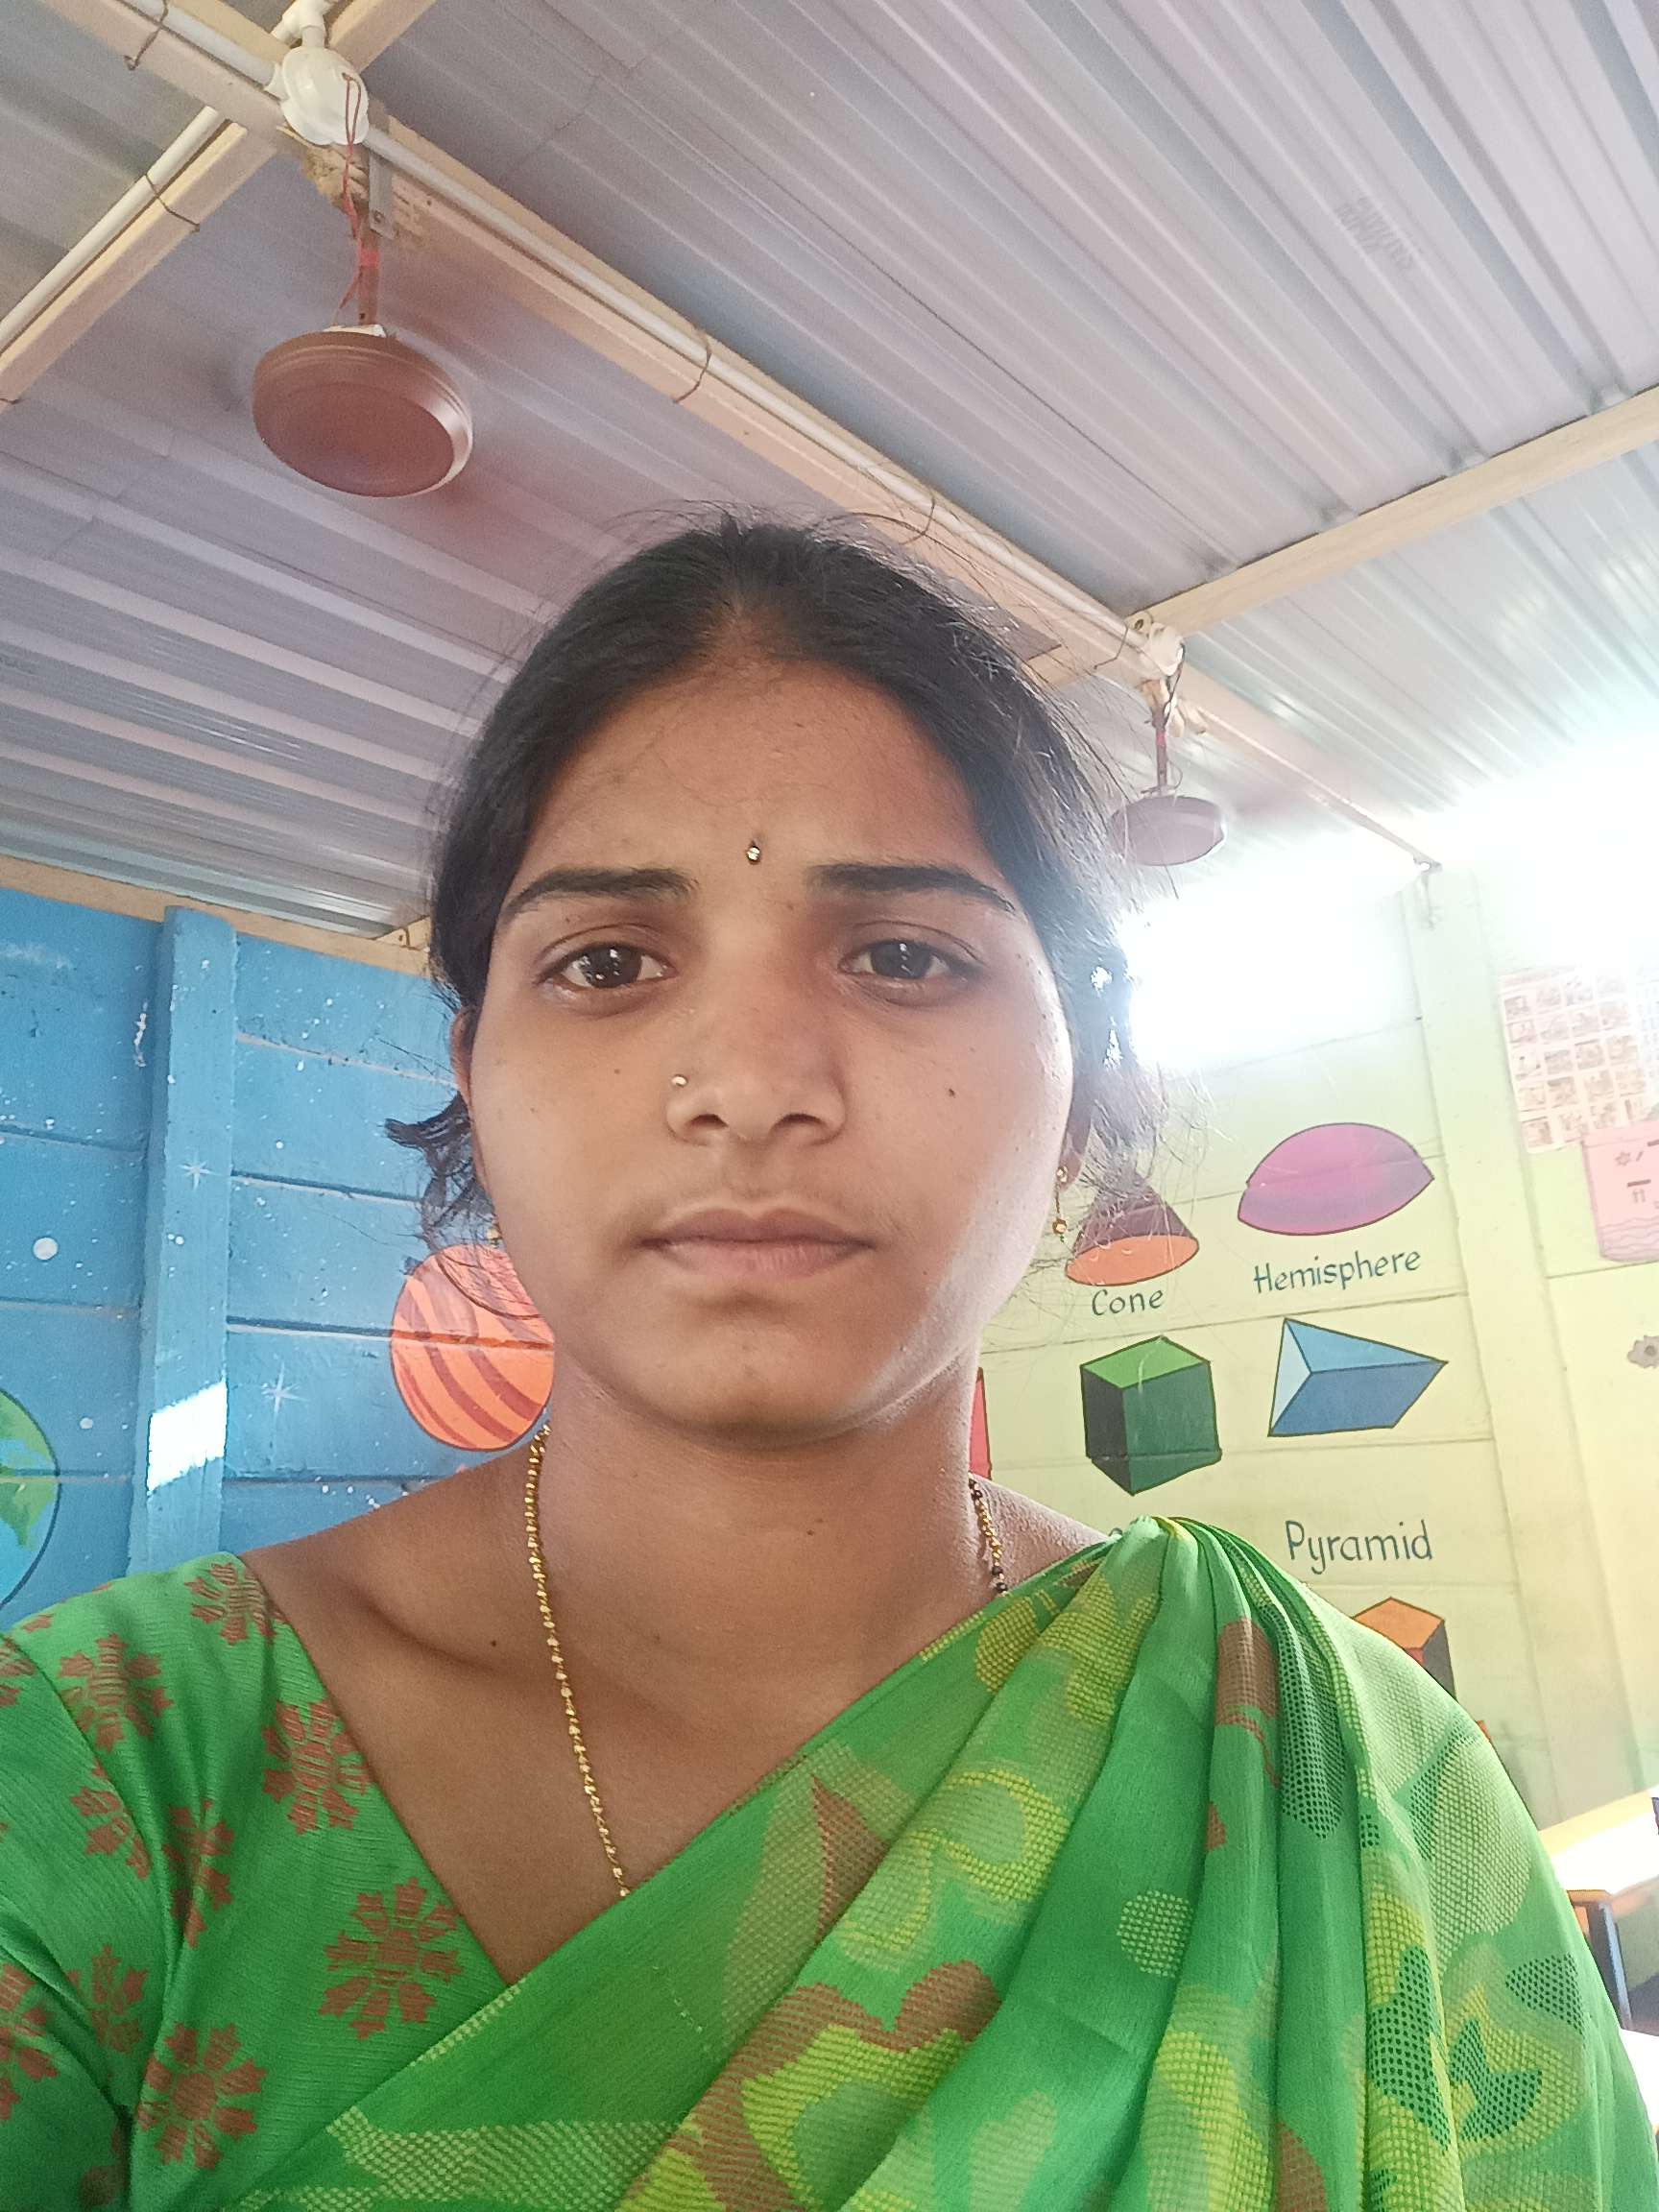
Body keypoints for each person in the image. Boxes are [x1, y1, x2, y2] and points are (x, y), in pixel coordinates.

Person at [1, 518, 1651, 2210]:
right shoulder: (98, 1783)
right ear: (476, 1083)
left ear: (1080, 1086)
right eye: (608, 963)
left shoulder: (1356, 1780)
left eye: (905, 956)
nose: (749, 1083)